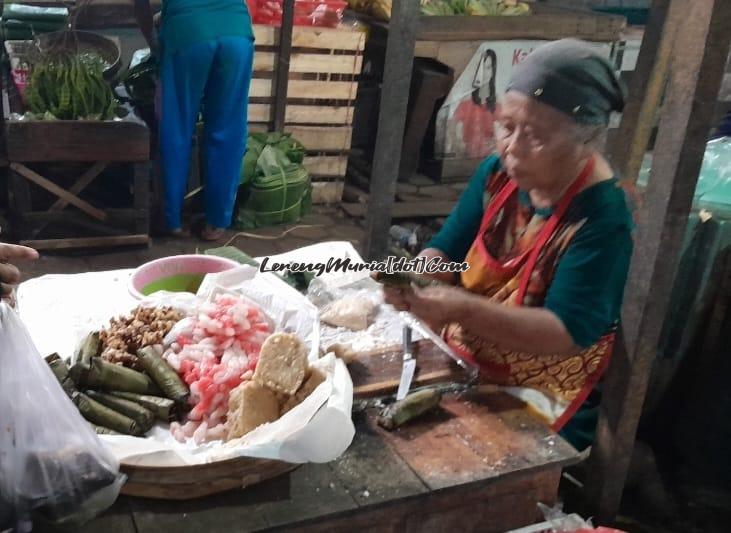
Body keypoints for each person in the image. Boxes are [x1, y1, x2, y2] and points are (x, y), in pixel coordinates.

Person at [384, 39, 633, 451]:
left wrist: (462, 308)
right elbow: (445, 249)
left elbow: (566, 332)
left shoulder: (602, 219)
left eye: (534, 136)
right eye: (505, 125)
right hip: (469, 356)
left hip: (542, 388)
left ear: (587, 141)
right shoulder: (497, 175)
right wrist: (416, 281)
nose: (512, 147)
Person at [133, 0, 255, 240]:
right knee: (228, 130)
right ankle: (217, 221)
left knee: (177, 128)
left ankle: (173, 221)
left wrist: (153, 40)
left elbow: (140, 6)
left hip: (187, 34)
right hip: (236, 33)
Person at [450, 48, 498, 158]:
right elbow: (451, 130)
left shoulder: (498, 105)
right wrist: (458, 146)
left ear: (493, 70)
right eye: (481, 68)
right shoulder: (465, 102)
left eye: (488, 68)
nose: (484, 73)